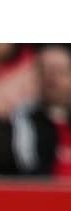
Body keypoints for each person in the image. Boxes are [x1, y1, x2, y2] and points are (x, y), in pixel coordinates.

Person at [11, 45, 71, 177]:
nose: (53, 79)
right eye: (47, 71)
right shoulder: (24, 116)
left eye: (61, 72)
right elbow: (27, 165)